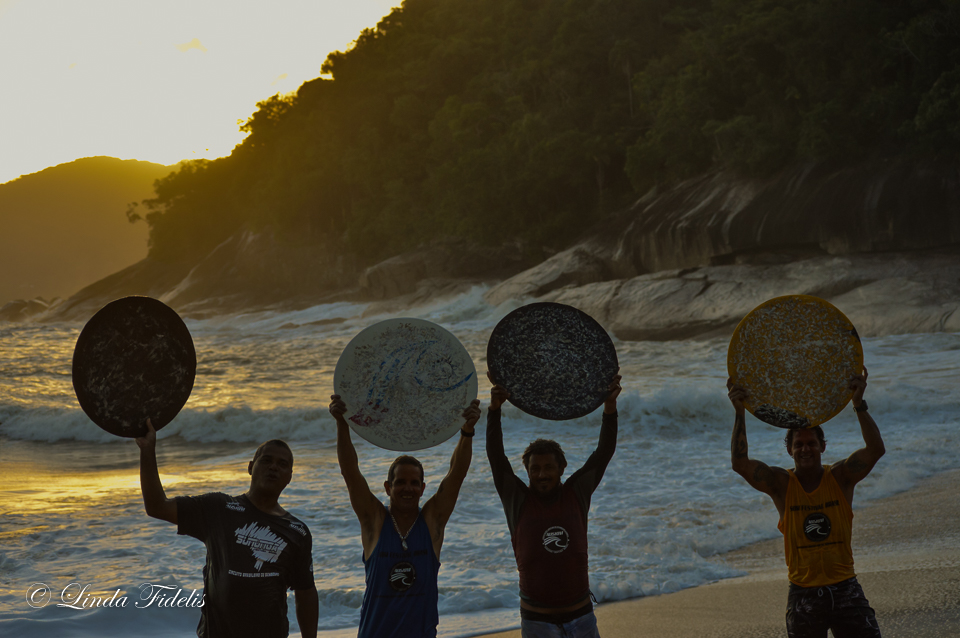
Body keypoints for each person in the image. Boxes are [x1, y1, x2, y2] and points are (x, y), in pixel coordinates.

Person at [728, 368, 884, 638]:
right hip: (803, 594)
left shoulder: (841, 478)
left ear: (823, 446)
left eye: (811, 442)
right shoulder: (781, 485)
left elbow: (875, 450)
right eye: (798, 443)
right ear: (789, 450)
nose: (805, 448)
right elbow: (740, 464)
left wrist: (858, 404)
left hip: (845, 588)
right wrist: (740, 411)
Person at [136, 419, 318, 638]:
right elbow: (157, 507)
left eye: (282, 464)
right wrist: (147, 450)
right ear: (251, 467)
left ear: (289, 477)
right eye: (266, 460)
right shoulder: (218, 508)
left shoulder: (297, 531)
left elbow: (305, 592)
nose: (273, 467)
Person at [329, 394, 481, 638]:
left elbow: (456, 475)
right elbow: (350, 472)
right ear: (388, 487)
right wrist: (342, 423)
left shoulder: (432, 523)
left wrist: (467, 431)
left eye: (414, 483)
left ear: (422, 488)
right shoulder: (374, 522)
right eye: (400, 483)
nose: (407, 489)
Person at [486, 373, 622, 638]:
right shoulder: (517, 499)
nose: (541, 474)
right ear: (526, 471)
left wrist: (609, 408)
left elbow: (604, 452)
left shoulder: (577, 492)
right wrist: (494, 410)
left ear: (562, 468)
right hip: (537, 622)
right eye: (534, 469)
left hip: (581, 617)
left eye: (549, 467)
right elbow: (496, 457)